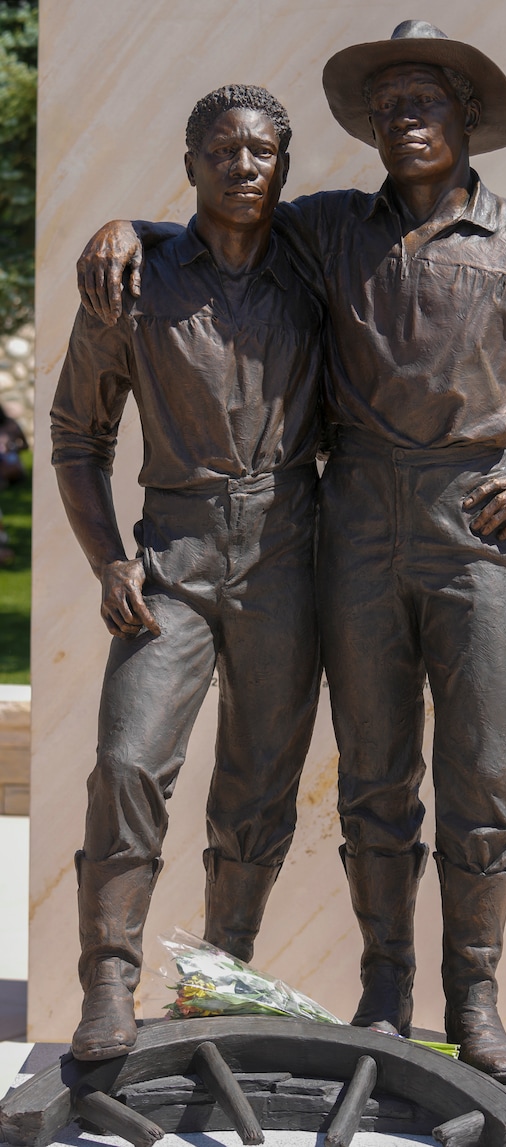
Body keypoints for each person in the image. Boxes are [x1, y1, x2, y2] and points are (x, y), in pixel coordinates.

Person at [76, 21, 506, 1083]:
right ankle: (387, 989)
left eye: (425, 101)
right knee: (373, 775)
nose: (405, 119)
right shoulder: (327, 230)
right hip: (351, 523)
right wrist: (125, 225)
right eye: (388, 105)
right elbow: (222, 219)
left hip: (471, 530)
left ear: (466, 117)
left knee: (485, 770)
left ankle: (476, 996)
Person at [51, 84, 324, 1061]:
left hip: (289, 561)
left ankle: (221, 974)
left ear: (282, 166)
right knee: (127, 763)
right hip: (172, 561)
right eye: (222, 151)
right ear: (191, 163)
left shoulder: (315, 270)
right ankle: (109, 979)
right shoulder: (132, 281)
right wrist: (107, 560)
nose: (243, 167)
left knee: (259, 785)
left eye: (261, 152)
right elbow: (76, 435)